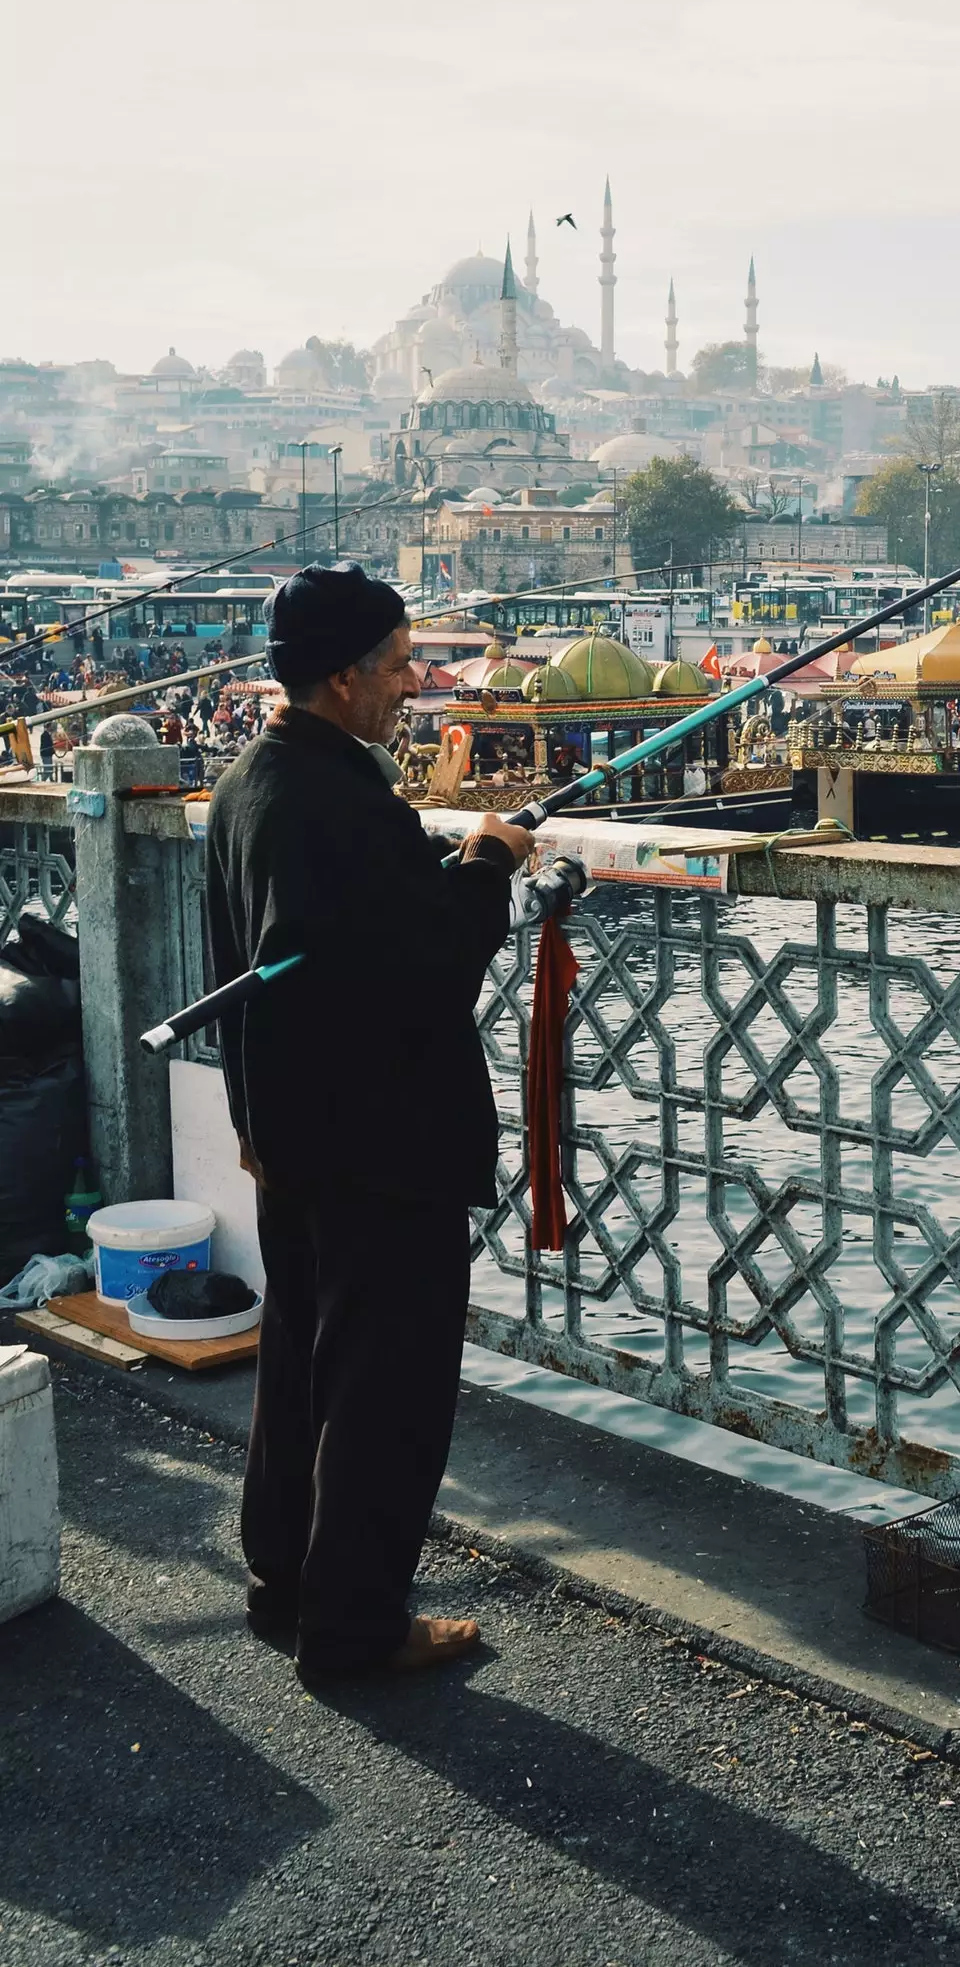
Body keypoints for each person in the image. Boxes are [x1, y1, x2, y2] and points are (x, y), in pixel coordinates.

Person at [205, 563, 537, 1681]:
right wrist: (488, 861)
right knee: (382, 1392)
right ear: (343, 678)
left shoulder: (254, 781)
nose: (412, 682)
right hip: (384, 1149)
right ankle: (355, 1626)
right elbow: (428, 967)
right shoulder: (343, 803)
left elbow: (258, 964)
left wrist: (248, 1116)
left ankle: (286, 1581)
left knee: (301, 1365)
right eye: (398, 664)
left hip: (291, 1140)